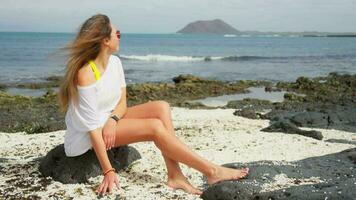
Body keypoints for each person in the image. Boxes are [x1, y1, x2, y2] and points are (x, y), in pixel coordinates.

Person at [58, 14, 249, 196]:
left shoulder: (114, 62)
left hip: (108, 120)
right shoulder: (86, 73)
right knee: (154, 127)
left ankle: (175, 175)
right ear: (105, 41)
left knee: (161, 107)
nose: (119, 37)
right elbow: (92, 129)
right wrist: (108, 170)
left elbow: (122, 102)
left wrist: (113, 119)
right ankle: (212, 171)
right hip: (87, 136)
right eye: (117, 34)